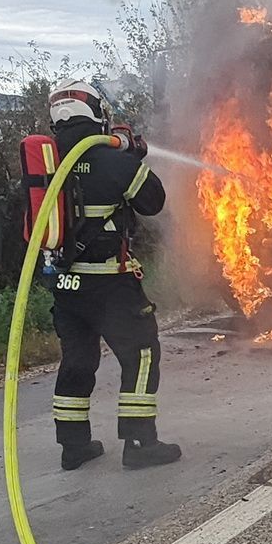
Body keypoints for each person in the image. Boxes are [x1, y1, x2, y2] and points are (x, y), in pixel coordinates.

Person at [45, 78, 182, 470]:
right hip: (110, 283)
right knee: (140, 354)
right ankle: (140, 442)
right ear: (96, 112)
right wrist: (133, 156)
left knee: (77, 359)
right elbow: (153, 202)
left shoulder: (46, 160)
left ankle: (74, 446)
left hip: (65, 285)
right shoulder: (113, 159)